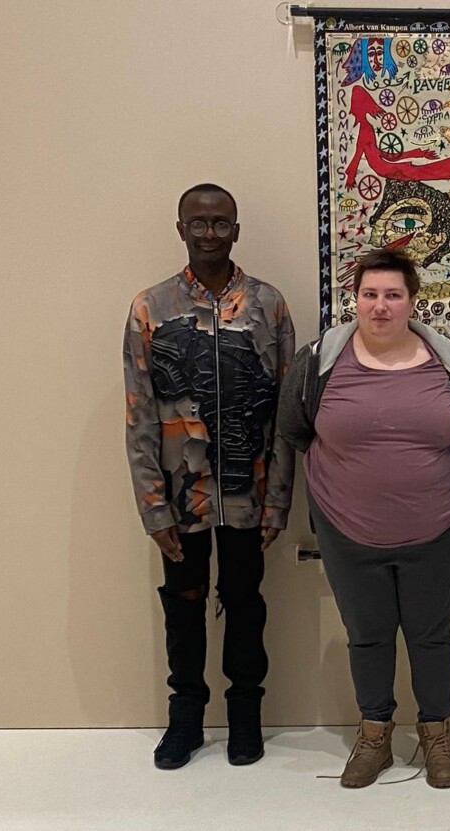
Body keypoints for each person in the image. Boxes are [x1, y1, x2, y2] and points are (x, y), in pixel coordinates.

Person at [277, 247, 450, 789]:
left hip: (437, 525)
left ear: (412, 301)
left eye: (392, 295)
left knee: (432, 636)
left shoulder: (448, 360)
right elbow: (294, 430)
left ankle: (436, 737)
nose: (380, 306)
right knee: (367, 635)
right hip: (347, 528)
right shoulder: (320, 360)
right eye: (369, 294)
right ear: (354, 299)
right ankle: (375, 736)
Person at [123, 183, 295, 770]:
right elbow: (139, 413)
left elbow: (284, 414)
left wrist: (278, 501)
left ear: (237, 230)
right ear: (180, 229)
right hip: (180, 493)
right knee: (183, 601)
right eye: (198, 223)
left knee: (245, 600)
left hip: (248, 491)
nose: (209, 234)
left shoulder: (269, 305)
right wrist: (152, 507)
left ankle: (246, 715)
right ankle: (186, 718)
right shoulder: (150, 307)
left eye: (221, 223)